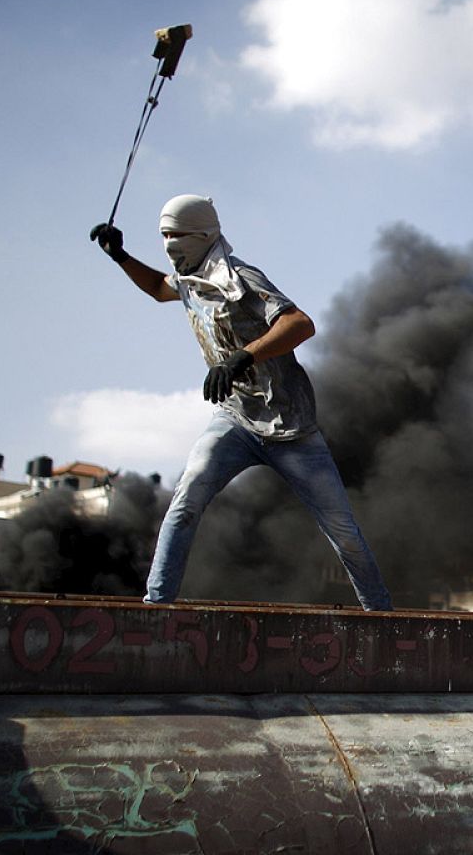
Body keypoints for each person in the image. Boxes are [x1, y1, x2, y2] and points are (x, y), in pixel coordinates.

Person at [89, 195, 393, 611]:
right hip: (234, 420)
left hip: (292, 430)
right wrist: (121, 257)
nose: (169, 245)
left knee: (343, 532)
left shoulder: (240, 277)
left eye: (176, 235)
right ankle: (156, 606)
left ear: (202, 235)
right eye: (163, 236)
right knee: (186, 500)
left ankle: (381, 616)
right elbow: (161, 289)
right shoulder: (189, 278)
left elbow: (300, 323)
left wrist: (244, 355)